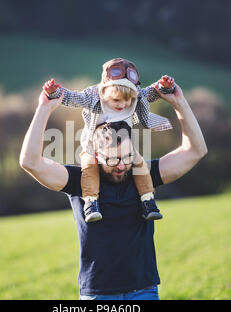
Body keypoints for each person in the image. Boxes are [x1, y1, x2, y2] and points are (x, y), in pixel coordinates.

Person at [20, 80, 208, 300]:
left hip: (144, 290)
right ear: (97, 156)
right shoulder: (78, 180)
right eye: (113, 159)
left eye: (127, 157)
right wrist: (44, 108)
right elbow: (30, 162)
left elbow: (195, 151)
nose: (121, 165)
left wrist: (180, 103)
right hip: (98, 294)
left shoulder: (143, 173)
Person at [42, 58, 176, 223]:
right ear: (103, 93)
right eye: (117, 100)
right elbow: (72, 98)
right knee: (88, 167)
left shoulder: (135, 98)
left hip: (122, 147)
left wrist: (164, 86)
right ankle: (91, 203)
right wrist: (54, 93)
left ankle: (148, 200)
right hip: (93, 147)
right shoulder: (93, 97)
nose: (123, 104)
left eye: (128, 100)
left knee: (139, 163)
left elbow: (150, 93)